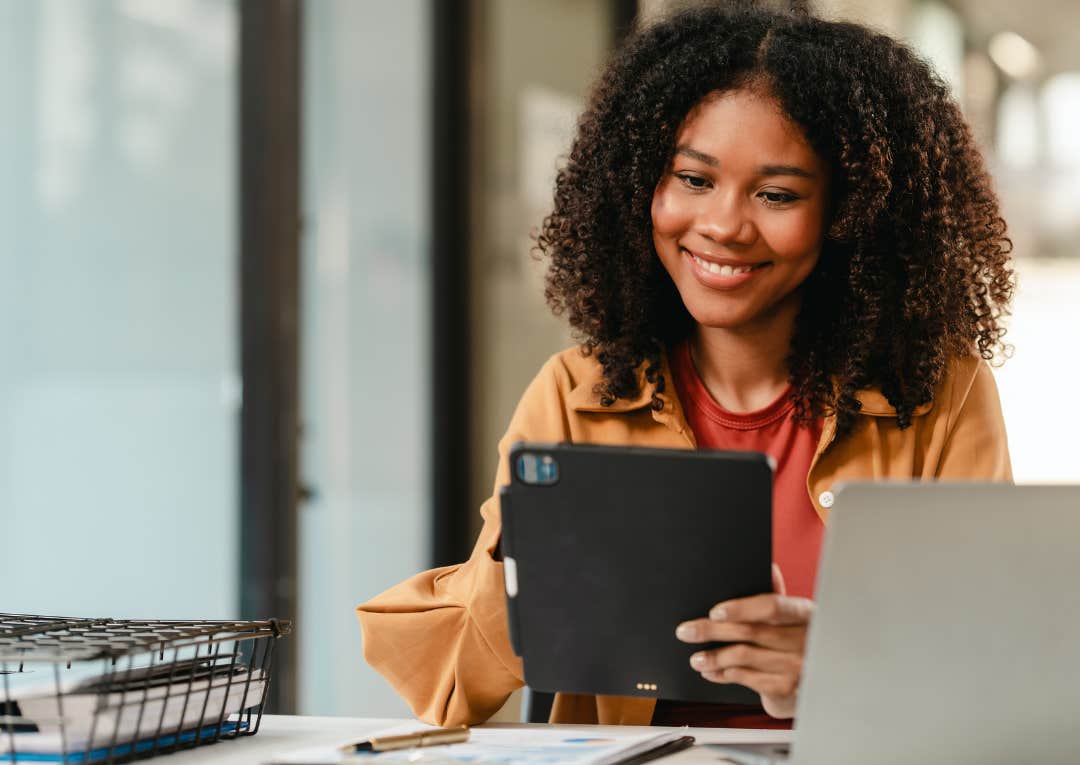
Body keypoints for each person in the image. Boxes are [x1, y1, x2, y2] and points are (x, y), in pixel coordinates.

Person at [357, 3, 1014, 730]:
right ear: (640, 186)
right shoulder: (577, 394)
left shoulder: (938, 394)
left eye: (776, 194)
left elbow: (992, 668)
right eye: (693, 179)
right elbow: (451, 686)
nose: (725, 224)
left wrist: (834, 668)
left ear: (849, 215)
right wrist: (528, 568)